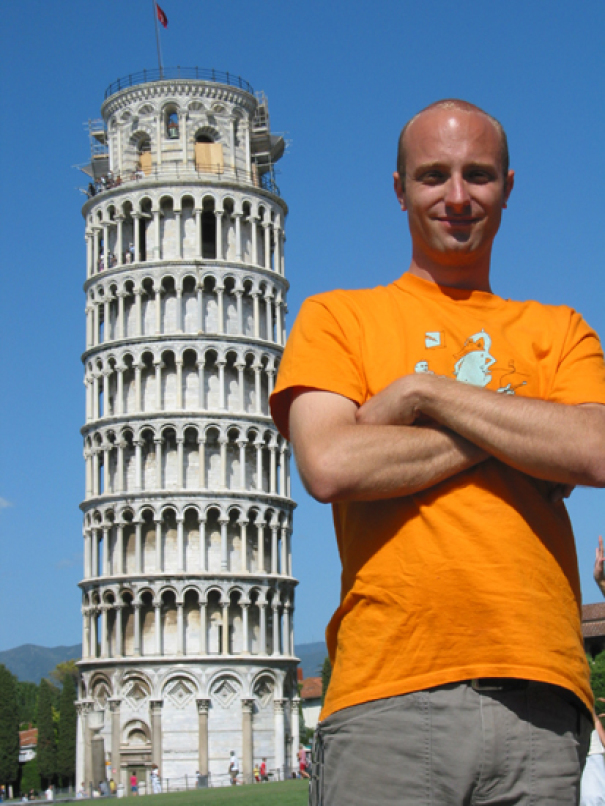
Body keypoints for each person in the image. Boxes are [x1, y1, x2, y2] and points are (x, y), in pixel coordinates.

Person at [270, 99, 605, 805]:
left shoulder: (559, 328)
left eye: (477, 175)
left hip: (539, 700)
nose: (456, 197)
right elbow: (330, 465)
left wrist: (422, 393)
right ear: (399, 190)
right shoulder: (338, 318)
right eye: (432, 176)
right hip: (387, 695)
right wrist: (526, 433)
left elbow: (596, 450)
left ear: (507, 187)